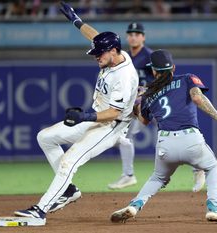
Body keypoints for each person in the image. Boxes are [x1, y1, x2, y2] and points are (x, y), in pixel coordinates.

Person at [13, 1, 139, 222]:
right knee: (45, 137)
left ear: (112, 51)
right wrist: (75, 19)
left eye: (99, 53)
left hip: (110, 126)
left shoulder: (124, 76)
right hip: (96, 118)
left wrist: (85, 117)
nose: (95, 56)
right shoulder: (114, 52)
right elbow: (95, 35)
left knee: (68, 162)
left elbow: (114, 113)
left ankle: (40, 211)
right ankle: (69, 190)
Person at [110, 49, 217, 224]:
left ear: (153, 71)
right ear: (173, 67)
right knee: (212, 167)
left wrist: (135, 104)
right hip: (190, 140)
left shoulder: (148, 94)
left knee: (157, 178)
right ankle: (213, 207)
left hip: (165, 144)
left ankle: (135, 204)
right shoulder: (187, 78)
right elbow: (198, 99)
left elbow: (143, 120)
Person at [108, 22, 206, 192]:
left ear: (143, 37)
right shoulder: (126, 56)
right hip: (140, 102)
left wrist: (147, 91)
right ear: (126, 37)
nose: (133, 36)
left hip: (157, 100)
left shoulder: (150, 56)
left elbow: (165, 76)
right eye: (130, 34)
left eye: (137, 33)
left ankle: (198, 167)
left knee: (180, 130)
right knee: (123, 136)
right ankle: (128, 175)